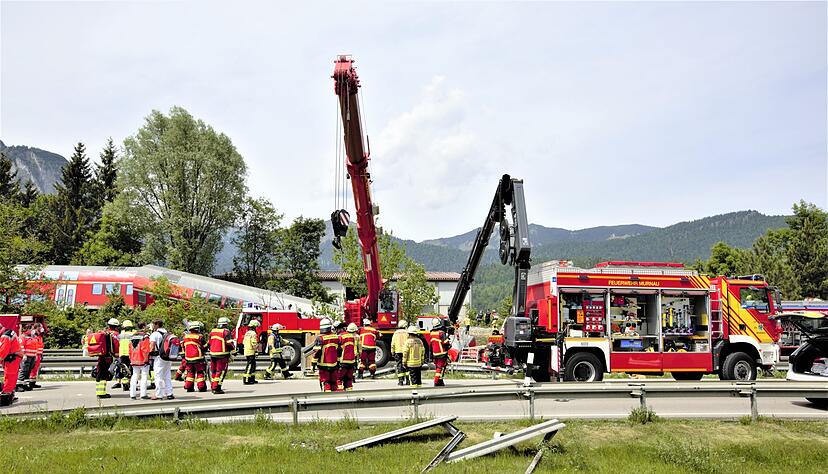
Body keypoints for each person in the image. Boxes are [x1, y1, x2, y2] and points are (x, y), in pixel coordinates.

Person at [208, 317, 235, 394]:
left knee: (213, 371)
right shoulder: (226, 332)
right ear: (225, 324)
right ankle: (217, 388)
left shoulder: (212, 331)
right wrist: (233, 350)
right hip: (222, 355)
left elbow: (209, 343)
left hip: (213, 354)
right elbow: (229, 343)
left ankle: (213, 386)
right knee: (221, 372)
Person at [149, 319, 174, 400]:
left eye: (153, 324)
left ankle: (159, 394)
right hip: (168, 357)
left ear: (156, 325)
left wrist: (148, 354)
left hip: (159, 357)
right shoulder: (168, 333)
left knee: (158, 376)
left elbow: (152, 347)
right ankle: (169, 393)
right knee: (167, 375)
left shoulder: (155, 334)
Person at [0, 323, 23, 406]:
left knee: (9, 377)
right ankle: (10, 395)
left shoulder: (5, 336)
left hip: (12, 358)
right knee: (12, 377)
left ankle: (5, 398)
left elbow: (3, 351)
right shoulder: (8, 332)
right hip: (13, 357)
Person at [314, 318, 340, 392]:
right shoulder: (336, 337)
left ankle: (327, 396)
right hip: (334, 364)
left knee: (326, 382)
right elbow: (339, 351)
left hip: (323, 365)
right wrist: (338, 361)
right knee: (334, 382)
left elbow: (317, 352)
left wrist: (313, 362)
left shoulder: (320, 338)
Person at [182, 321, 208, 392]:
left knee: (190, 372)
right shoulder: (199, 337)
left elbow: (183, 347)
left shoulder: (185, 337)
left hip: (188, 358)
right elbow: (204, 347)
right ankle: (201, 387)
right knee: (200, 373)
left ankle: (189, 387)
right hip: (198, 358)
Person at [128, 322, 151, 400]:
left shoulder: (132, 336)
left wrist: (131, 358)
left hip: (134, 359)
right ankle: (143, 394)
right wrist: (146, 359)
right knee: (144, 376)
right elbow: (146, 349)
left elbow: (130, 349)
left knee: (134, 376)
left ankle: (132, 394)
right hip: (142, 359)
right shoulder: (145, 336)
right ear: (143, 327)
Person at [338, 323, 359, 391]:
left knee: (339, 379)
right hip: (352, 361)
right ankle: (349, 394)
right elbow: (358, 348)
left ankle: (339, 394)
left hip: (343, 361)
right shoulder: (354, 337)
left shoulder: (341, 337)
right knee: (348, 380)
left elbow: (338, 349)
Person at [114, 320, 134, 390]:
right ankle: (129, 383)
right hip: (130, 353)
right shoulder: (133, 335)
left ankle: (124, 383)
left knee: (123, 369)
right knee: (131, 369)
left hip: (122, 353)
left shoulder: (120, 335)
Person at [430, 318, 450, 387]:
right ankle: (436, 381)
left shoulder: (431, 333)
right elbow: (446, 342)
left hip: (435, 353)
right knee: (440, 368)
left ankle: (440, 381)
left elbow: (431, 344)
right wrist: (448, 345)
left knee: (438, 367)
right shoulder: (441, 333)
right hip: (442, 353)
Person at [390, 320, 408, 386]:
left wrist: (392, 351)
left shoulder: (396, 333)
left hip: (398, 351)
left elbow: (393, 343)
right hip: (406, 351)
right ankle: (408, 380)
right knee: (406, 365)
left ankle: (400, 381)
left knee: (399, 365)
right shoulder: (407, 332)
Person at [242, 320, 260, 385]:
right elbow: (254, 343)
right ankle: (246, 379)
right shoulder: (253, 333)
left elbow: (243, 342)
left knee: (253, 365)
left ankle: (252, 379)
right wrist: (256, 349)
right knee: (250, 365)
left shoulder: (247, 333)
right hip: (251, 351)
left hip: (247, 350)